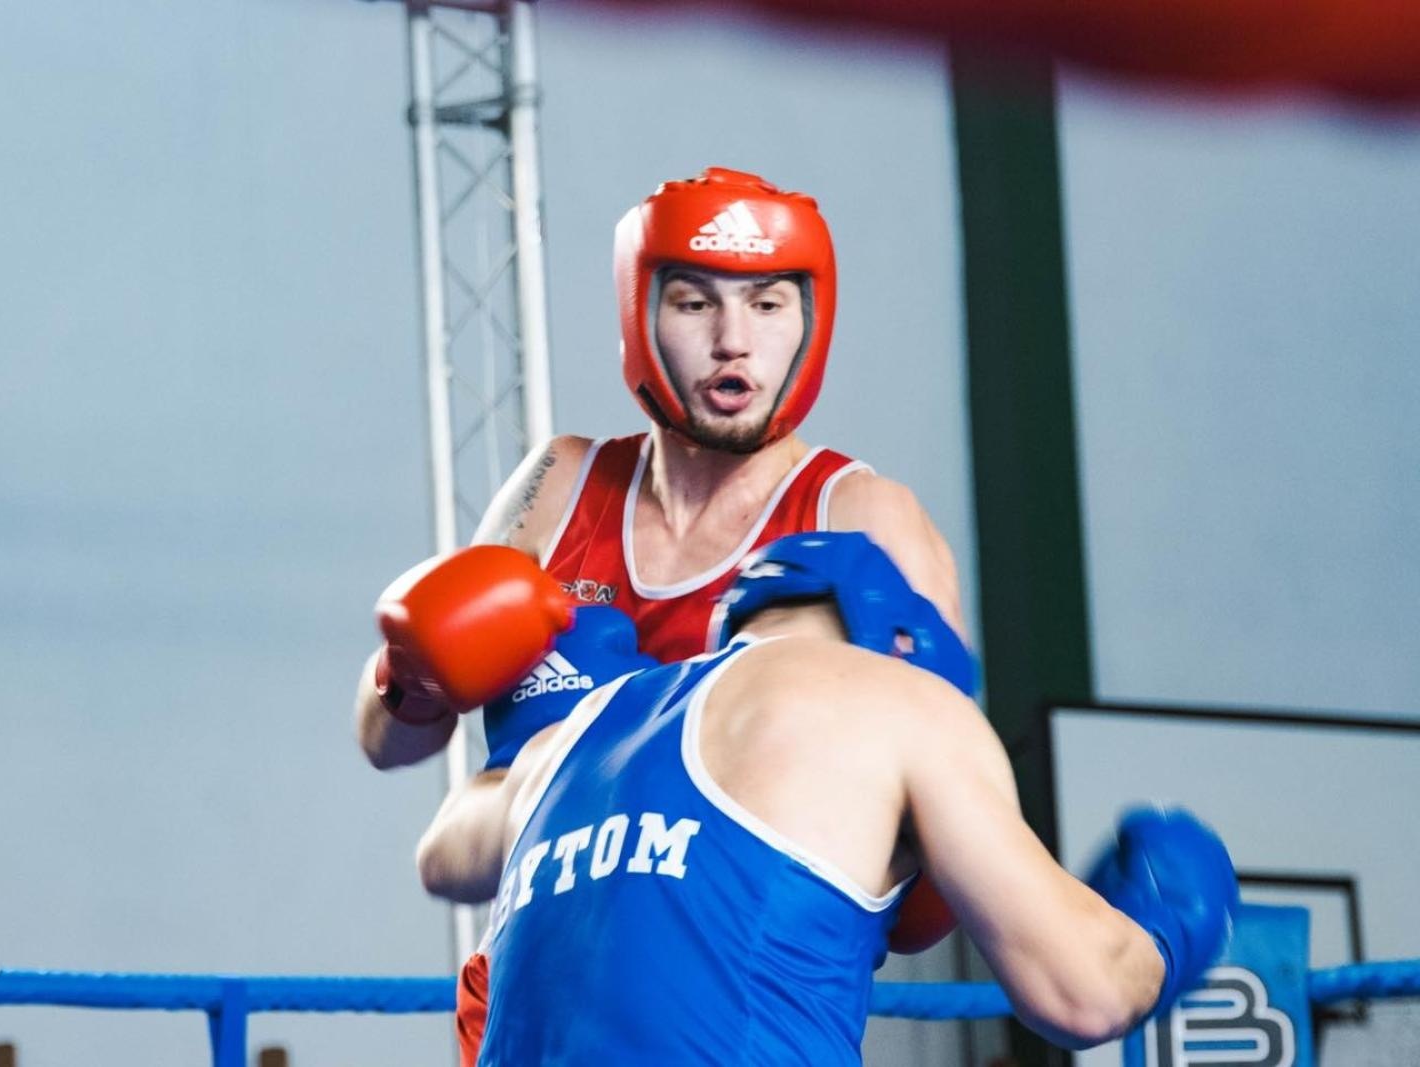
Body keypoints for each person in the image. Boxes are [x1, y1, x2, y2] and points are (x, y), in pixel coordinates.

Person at [414, 533, 1239, 1064]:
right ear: (901, 645)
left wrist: (470, 704)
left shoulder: (575, 735)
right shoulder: (896, 700)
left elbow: (442, 854)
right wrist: (1164, 930)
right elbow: (1085, 990)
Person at [354, 165, 968, 770]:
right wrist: (412, 674)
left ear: (810, 321)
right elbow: (388, 747)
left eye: (768, 305)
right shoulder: (562, 486)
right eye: (696, 303)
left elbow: (955, 786)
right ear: (639, 316)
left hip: (767, 872)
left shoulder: (859, 514)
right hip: (557, 867)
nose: (733, 339)